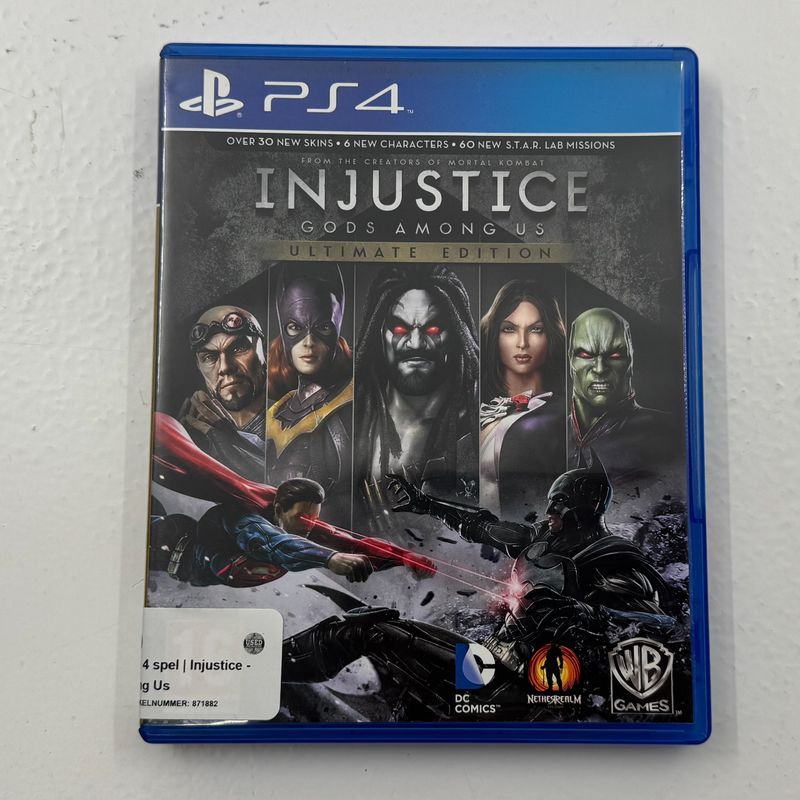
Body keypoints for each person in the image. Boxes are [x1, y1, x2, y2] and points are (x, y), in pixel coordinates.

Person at [280, 457, 678, 720]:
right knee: (364, 629)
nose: (550, 511)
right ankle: (273, 670)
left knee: (374, 633)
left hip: (539, 691)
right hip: (491, 666)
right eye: (551, 501)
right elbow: (483, 526)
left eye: (559, 502)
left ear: (587, 506)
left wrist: (587, 612)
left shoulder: (611, 555)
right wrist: (426, 504)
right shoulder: (540, 540)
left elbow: (660, 623)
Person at [353, 264, 479, 530]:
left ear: (456, 333)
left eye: (433, 329)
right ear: (378, 333)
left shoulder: (480, 426)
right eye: (400, 329)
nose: (416, 343)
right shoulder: (351, 420)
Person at [149, 478, 372, 587]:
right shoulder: (246, 521)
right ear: (279, 510)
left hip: (174, 554)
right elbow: (272, 544)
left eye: (314, 519)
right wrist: (329, 558)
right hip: (162, 540)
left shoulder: (283, 531)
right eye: (302, 518)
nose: (309, 526)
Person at [266, 265, 354, 526]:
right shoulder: (276, 412)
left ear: (336, 329)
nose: (308, 341)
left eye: (322, 327)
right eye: (295, 327)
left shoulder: (356, 404)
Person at [479, 280, 566, 518]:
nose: (522, 343)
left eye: (536, 329)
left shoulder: (564, 416)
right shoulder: (472, 411)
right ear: (494, 333)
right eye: (509, 329)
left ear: (550, 335)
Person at [568, 308, 677, 484]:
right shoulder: (545, 435)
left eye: (615, 356)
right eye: (586, 355)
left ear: (631, 361)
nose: (600, 369)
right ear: (570, 360)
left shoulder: (668, 433)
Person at [180, 305, 267, 482]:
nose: (225, 367)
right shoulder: (192, 432)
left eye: (238, 348)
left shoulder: (297, 419)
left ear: (263, 351)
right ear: (199, 366)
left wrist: (235, 445)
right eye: (209, 357)